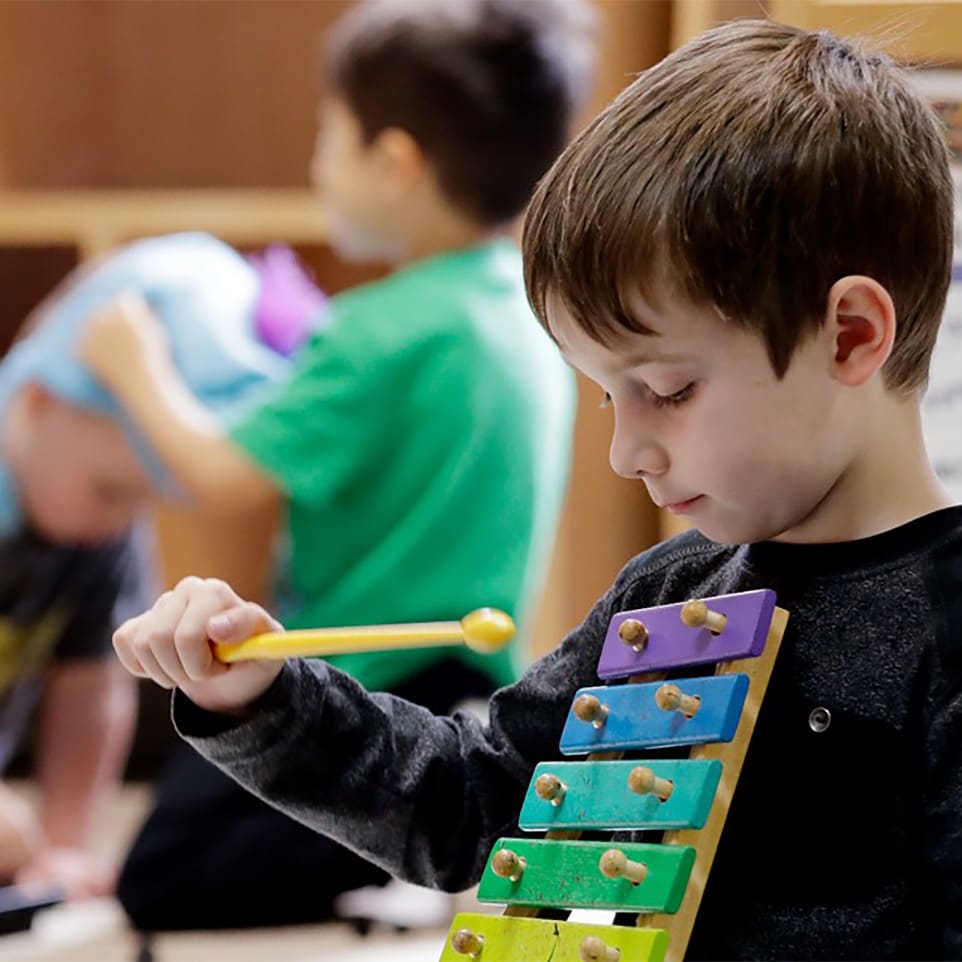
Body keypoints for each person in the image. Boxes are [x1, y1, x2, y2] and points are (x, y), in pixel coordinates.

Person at [108, 17, 962, 960]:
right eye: (606, 397)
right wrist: (263, 699)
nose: (627, 451)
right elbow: (473, 806)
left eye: (667, 390)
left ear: (849, 336)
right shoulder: (667, 599)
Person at [81, 0, 592, 931]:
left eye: (331, 138)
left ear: (395, 162)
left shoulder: (375, 332)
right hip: (469, 670)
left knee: (158, 878)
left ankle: (425, 871)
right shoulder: (517, 313)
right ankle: (440, 850)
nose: (318, 163)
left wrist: (135, 366)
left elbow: (219, 470)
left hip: (360, 669)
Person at [0, 231, 305, 900]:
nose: (119, 521)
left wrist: (64, 846)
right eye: (113, 493)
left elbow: (91, 688)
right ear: (35, 403)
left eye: (141, 502)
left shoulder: (88, 535)